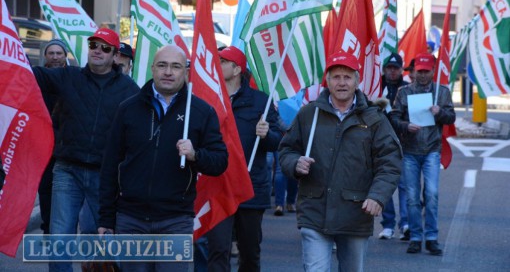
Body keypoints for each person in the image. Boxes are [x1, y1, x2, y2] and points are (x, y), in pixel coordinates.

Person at [99, 45, 228, 271]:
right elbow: (110, 166)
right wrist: (105, 220)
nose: (168, 71)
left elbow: (219, 162)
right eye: (162, 65)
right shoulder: (128, 108)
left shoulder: (200, 111)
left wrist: (195, 155)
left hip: (176, 220)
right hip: (131, 219)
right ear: (152, 69)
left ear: (185, 72)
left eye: (175, 66)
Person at [279, 52, 402, 271]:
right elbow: (287, 149)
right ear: (327, 80)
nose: (342, 83)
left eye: (347, 77)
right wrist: (294, 163)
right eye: (336, 77)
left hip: (355, 214)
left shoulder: (374, 118)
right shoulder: (309, 114)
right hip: (314, 212)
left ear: (357, 81)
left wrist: (378, 197)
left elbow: (390, 161)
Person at [33, 28, 140, 272]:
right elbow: (30, 73)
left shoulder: (129, 90)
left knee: (97, 238)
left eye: (105, 48)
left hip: (104, 175)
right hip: (67, 170)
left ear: (115, 56)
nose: (97, 51)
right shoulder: (68, 76)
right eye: (94, 45)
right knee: (60, 237)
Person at [206, 46, 283, 272]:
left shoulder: (261, 102)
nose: (217, 65)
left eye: (222, 61)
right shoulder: (209, 97)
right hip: (218, 186)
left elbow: (278, 141)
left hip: (250, 188)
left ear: (237, 68)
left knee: (249, 253)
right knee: (218, 250)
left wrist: (267, 134)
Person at [390, 52, 456, 256]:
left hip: (431, 151)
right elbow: (393, 117)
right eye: (420, 71)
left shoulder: (442, 92)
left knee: (432, 194)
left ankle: (432, 238)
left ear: (433, 71)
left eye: (427, 71)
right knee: (411, 197)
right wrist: (405, 125)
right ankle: (416, 237)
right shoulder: (404, 92)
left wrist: (440, 113)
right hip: (409, 151)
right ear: (414, 72)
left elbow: (451, 117)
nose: (423, 75)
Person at [37, 39, 69, 234]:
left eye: (59, 53)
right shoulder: (36, 78)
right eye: (51, 53)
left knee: (66, 193)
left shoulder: (76, 78)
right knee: (46, 189)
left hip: (68, 146)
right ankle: (48, 231)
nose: (55, 56)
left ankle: (64, 233)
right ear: (45, 56)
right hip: (43, 146)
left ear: (65, 56)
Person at [378, 53, 410, 240]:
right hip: (381, 143)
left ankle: (405, 223)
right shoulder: (376, 85)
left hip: (404, 142)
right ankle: (388, 224)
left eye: (395, 68)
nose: (392, 71)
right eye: (389, 68)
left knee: (404, 185)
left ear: (401, 69)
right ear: (384, 69)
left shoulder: (407, 88)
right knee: (385, 185)